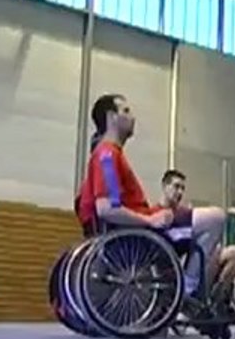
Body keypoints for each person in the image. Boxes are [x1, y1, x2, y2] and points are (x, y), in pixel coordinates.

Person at [75, 94, 226, 262]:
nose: (133, 117)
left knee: (216, 247)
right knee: (216, 218)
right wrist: (150, 220)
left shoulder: (109, 155)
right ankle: (189, 285)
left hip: (143, 228)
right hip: (143, 234)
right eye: (126, 111)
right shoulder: (107, 155)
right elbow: (108, 209)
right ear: (112, 117)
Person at [160, 168, 235, 303]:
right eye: (176, 187)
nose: (180, 192)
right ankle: (189, 290)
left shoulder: (184, 214)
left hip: (197, 259)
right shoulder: (159, 213)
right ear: (164, 186)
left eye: (183, 188)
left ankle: (216, 301)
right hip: (180, 269)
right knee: (217, 217)